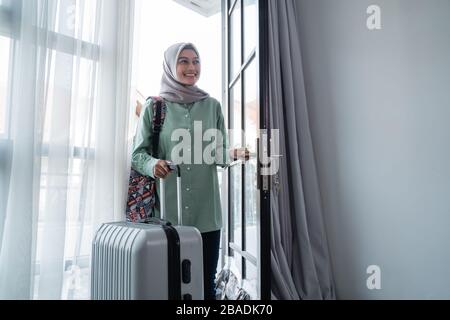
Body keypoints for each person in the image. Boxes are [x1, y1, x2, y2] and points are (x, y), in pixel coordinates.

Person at [131, 42, 248, 300]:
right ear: (171, 66)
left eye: (196, 61)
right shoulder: (154, 107)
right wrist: (154, 165)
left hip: (207, 216)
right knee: (170, 283)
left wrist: (233, 153)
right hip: (167, 217)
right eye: (183, 61)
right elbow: (137, 154)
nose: (191, 67)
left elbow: (217, 152)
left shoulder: (212, 106)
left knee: (204, 284)